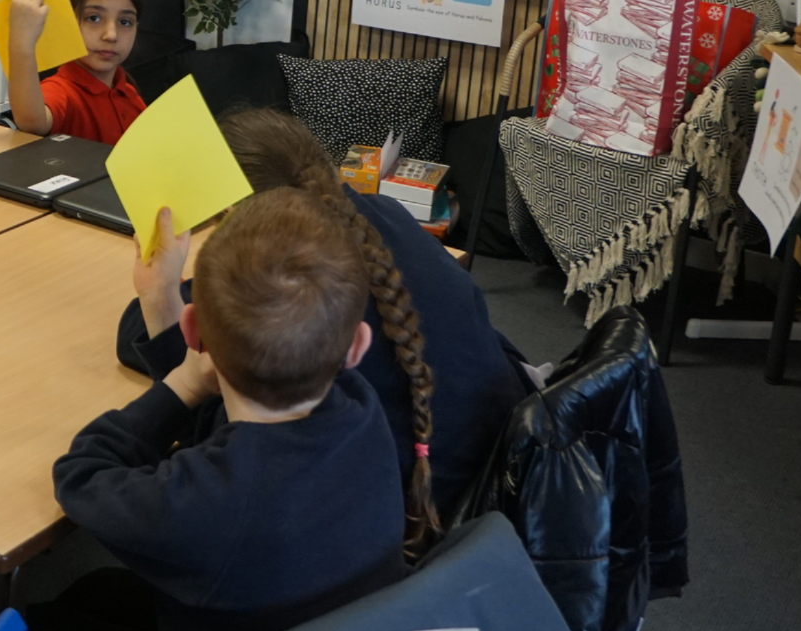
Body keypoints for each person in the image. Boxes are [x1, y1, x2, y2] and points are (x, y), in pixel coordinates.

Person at [118, 108, 532, 525]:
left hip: (414, 518)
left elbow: (216, 430)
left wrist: (159, 295)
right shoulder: (384, 213)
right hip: (505, 467)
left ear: (234, 217)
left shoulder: (287, 291)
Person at [53, 190, 408, 631]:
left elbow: (81, 475)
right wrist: (160, 296)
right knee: (97, 593)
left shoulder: (202, 506)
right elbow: (228, 427)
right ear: (357, 346)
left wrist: (182, 385)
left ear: (191, 328)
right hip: (327, 626)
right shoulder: (360, 409)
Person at [7, 0, 146, 143]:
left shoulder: (129, 94)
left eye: (125, 22)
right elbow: (31, 122)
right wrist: (22, 39)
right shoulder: (62, 91)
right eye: (94, 18)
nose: (111, 35)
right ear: (67, 21)